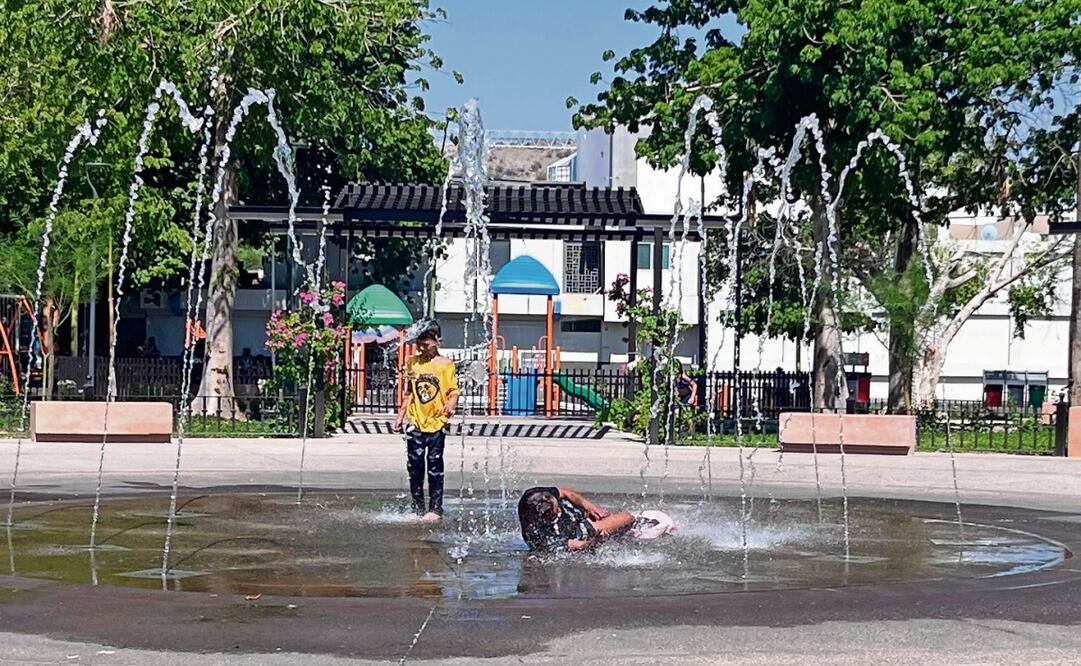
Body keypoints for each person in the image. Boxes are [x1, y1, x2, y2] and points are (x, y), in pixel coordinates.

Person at [392, 319, 460, 522]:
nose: (421, 348)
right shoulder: (413, 363)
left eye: (426, 344)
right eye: (418, 344)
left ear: (437, 340)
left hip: (437, 421)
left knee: (434, 464)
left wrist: (452, 403)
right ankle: (417, 506)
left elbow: (454, 390)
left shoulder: (446, 365)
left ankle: (436, 508)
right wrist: (401, 414)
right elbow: (409, 392)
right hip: (416, 421)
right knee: (414, 465)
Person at [518, 486, 675, 553]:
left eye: (556, 504)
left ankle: (627, 531)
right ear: (542, 516)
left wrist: (589, 507)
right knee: (623, 520)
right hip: (563, 543)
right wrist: (594, 542)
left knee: (625, 519)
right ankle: (628, 533)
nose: (558, 508)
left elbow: (566, 493)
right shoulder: (539, 535)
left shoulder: (537, 494)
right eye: (554, 512)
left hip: (572, 525)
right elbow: (574, 545)